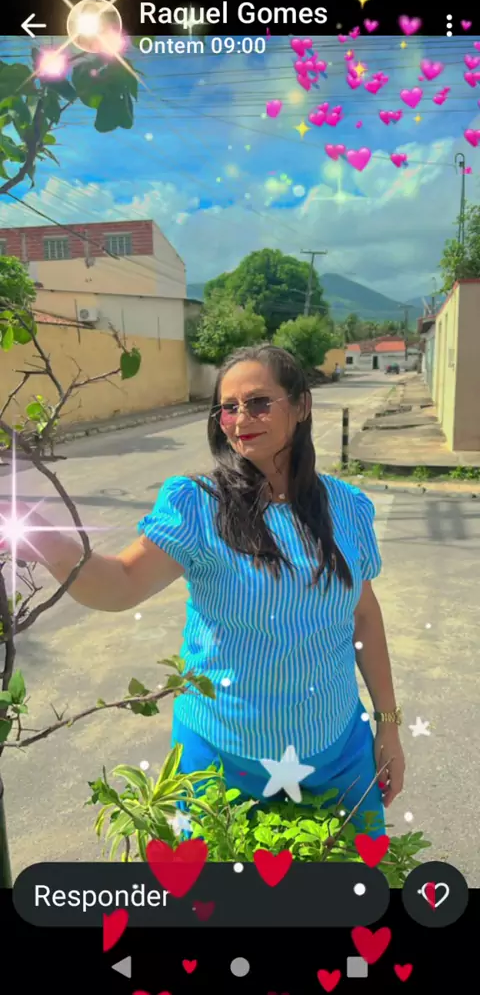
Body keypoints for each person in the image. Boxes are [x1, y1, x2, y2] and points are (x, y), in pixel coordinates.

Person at [0, 344, 405, 836]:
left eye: (258, 402)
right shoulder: (198, 505)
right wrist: (46, 538)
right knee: (212, 886)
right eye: (228, 407)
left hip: (336, 751)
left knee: (351, 880)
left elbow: (363, 616)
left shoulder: (346, 508)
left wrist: (388, 722)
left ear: (302, 405)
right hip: (221, 760)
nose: (241, 419)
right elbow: (119, 585)